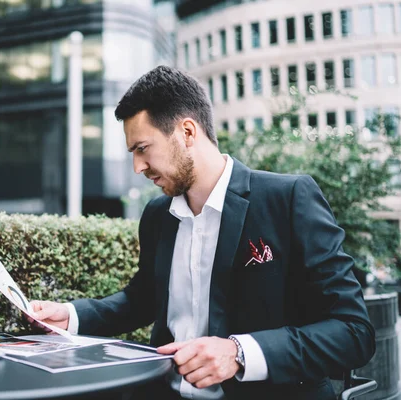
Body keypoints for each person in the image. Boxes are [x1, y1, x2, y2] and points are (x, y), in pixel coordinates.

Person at [29, 65, 375, 399]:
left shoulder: (287, 199)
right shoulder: (156, 214)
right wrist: (71, 316)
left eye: (142, 149)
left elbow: (353, 332)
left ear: (187, 132)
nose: (137, 167)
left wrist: (239, 353)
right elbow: (142, 299)